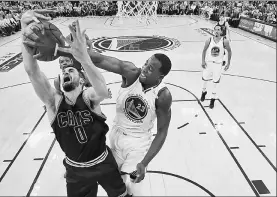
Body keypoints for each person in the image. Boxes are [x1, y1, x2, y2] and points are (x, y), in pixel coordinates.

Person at [21, 11, 129, 197]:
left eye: (71, 69)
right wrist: (25, 31)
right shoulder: (53, 102)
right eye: (63, 71)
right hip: (75, 169)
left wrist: (84, 58)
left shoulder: (89, 97)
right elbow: (32, 71)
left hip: (103, 162)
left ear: (81, 80)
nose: (66, 72)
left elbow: (102, 90)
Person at [59, 36, 173, 196]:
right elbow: (101, 60)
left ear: (160, 78)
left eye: (151, 68)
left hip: (138, 143)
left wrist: (145, 162)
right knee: (109, 183)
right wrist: (78, 51)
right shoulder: (132, 73)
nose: (145, 68)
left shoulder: (163, 95)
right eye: (146, 63)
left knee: (129, 185)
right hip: (115, 136)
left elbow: (162, 132)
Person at [201, 25, 232, 108]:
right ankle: (204, 92)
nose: (217, 31)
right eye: (215, 29)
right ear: (213, 31)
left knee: (215, 82)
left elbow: (229, 51)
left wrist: (228, 63)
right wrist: (203, 61)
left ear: (221, 31)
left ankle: (212, 99)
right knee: (205, 79)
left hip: (217, 65)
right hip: (208, 63)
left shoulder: (224, 41)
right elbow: (204, 50)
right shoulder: (209, 40)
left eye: (218, 30)